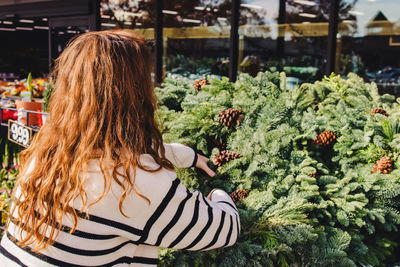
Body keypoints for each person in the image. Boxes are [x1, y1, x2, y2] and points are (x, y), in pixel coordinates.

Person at [0, 30, 240, 266]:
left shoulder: (50, 150)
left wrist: (187, 156)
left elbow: (119, 150)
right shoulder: (135, 183)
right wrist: (218, 195)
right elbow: (225, 230)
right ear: (135, 93)